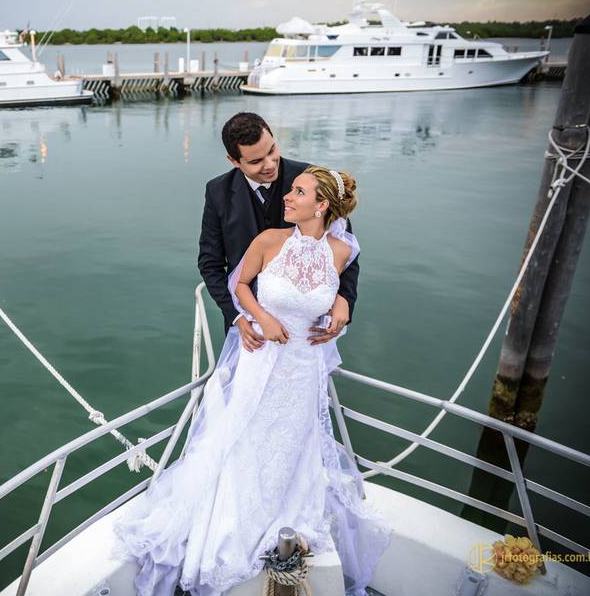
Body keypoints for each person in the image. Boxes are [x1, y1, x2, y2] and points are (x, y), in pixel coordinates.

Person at [112, 165, 392, 596]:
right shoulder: (268, 241)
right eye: (291, 190)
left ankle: (284, 513)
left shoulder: (340, 251)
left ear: (322, 206)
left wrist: (341, 307)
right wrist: (259, 317)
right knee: (246, 435)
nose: (288, 196)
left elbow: (342, 288)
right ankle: (236, 517)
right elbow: (239, 283)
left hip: (303, 367)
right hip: (261, 358)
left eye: (298, 192)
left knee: (292, 442)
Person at [196, 112, 360, 351]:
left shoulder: (310, 179)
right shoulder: (217, 192)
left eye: (272, 150)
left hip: (309, 327)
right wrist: (237, 317)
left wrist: (345, 300)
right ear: (234, 160)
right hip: (249, 330)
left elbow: (345, 248)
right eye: (256, 161)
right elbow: (210, 264)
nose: (270, 164)